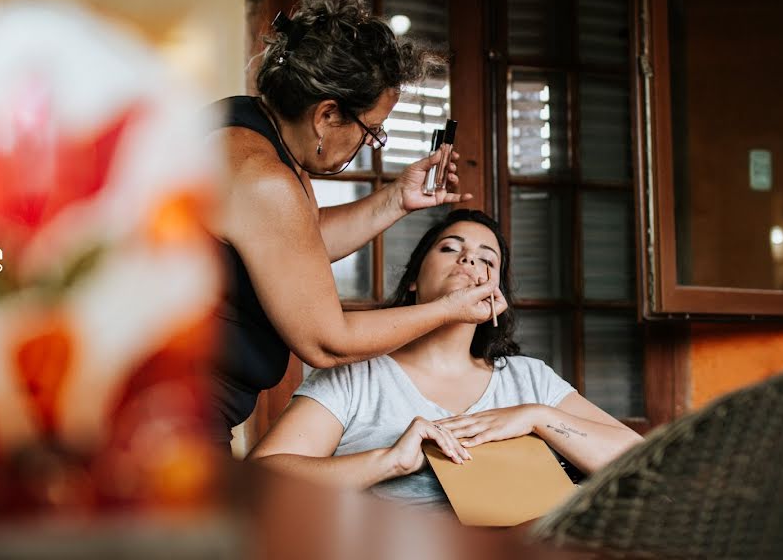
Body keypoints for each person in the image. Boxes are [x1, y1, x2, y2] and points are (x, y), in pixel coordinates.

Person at [204, 0, 503, 445]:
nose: (370, 142)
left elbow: (293, 244)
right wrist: (448, 310)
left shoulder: (251, 127)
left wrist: (395, 199)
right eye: (372, 130)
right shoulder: (262, 176)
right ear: (326, 115)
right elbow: (328, 340)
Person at [248, 209, 643, 508]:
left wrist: (538, 417)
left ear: (496, 295)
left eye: (487, 259)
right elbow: (256, 482)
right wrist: (390, 461)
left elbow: (641, 462)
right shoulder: (356, 375)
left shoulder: (530, 380)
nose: (469, 260)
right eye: (450, 248)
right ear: (414, 279)